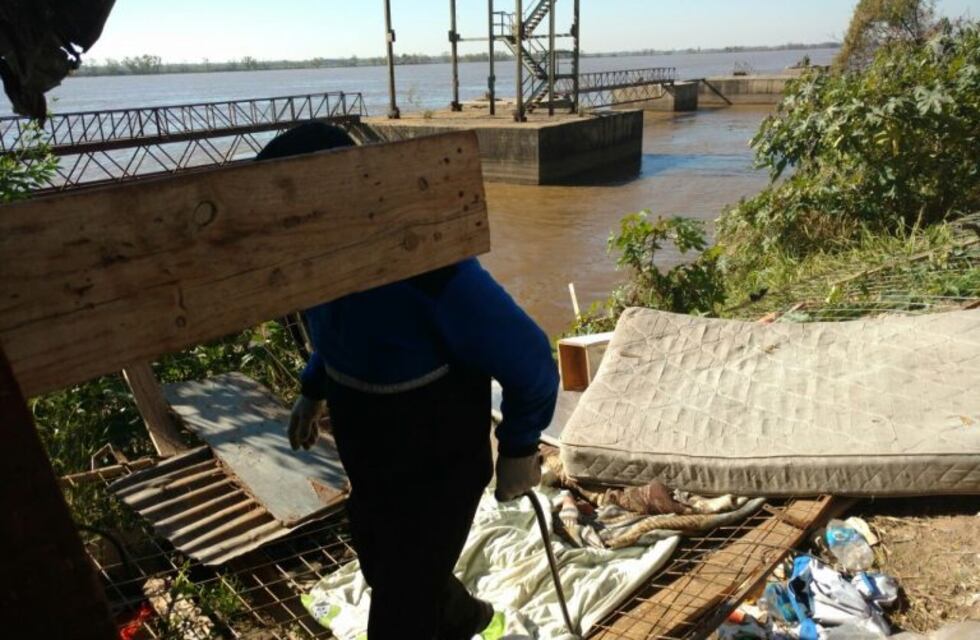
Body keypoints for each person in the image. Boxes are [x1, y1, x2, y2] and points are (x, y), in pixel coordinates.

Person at [257, 123, 560, 639]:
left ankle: (449, 616)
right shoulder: (315, 265)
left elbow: (531, 360)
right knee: (380, 564)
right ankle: (468, 617)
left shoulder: (433, 275)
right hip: (369, 448)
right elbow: (333, 335)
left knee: (403, 603)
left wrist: (517, 449)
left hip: (435, 456)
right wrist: (311, 391)